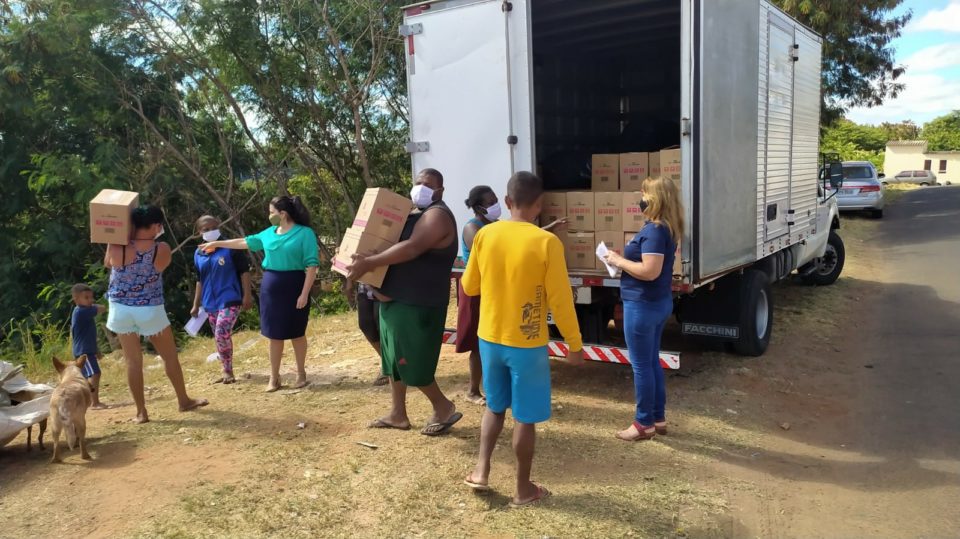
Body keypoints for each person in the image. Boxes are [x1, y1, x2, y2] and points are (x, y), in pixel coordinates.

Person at [460, 171, 584, 507]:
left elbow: (469, 286)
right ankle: (522, 489)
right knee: (525, 418)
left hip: (490, 338)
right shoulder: (547, 243)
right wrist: (574, 343)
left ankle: (481, 471)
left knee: (494, 407)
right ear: (540, 205)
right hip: (527, 344)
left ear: (508, 201)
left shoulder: (485, 236)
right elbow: (560, 300)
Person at [346, 168, 462, 436]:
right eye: (418, 182)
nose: (420, 187)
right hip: (395, 297)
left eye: (427, 184)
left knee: (409, 360)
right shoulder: (415, 213)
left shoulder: (438, 216)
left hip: (417, 301)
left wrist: (370, 262)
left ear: (440, 191)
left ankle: (442, 406)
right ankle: (398, 413)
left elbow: (413, 247)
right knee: (391, 358)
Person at [458, 186, 569, 405]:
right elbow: (492, 254)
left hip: (494, 288)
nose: (495, 205)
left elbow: (518, 237)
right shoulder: (474, 229)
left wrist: (547, 229)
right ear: (478, 206)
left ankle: (500, 390)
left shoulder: (494, 227)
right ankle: (473, 390)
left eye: (496, 200)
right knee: (477, 342)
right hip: (478, 289)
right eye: (490, 202)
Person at [200, 196, 319, 392]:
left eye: (271, 212)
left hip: (295, 285)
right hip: (271, 287)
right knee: (274, 334)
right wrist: (219, 244)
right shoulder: (269, 233)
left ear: (283, 214)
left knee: (297, 332)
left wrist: (304, 293)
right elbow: (245, 242)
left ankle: (300, 373)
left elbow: (312, 265)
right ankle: (274, 376)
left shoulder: (304, 233)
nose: (269, 215)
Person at [104, 205, 208, 424]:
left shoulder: (116, 245)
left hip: (120, 309)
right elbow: (160, 267)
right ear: (154, 226)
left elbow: (108, 263)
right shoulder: (160, 248)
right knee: (169, 356)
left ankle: (141, 412)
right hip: (149, 308)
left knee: (133, 361)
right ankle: (183, 400)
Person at [603, 176, 683, 441]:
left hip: (642, 305)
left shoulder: (654, 231)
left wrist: (617, 260)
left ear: (656, 198)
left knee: (641, 366)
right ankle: (657, 418)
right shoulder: (665, 228)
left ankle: (643, 423)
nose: (641, 197)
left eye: (645, 193)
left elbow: (649, 271)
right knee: (651, 362)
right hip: (657, 302)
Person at [191, 215, 254, 385]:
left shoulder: (230, 247)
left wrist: (247, 295)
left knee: (221, 332)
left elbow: (244, 271)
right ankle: (227, 370)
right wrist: (196, 304)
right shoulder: (198, 253)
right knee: (220, 336)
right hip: (209, 303)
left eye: (213, 227)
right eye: (206, 229)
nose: (210, 231)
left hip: (230, 298)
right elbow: (200, 280)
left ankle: (227, 371)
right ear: (199, 232)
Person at [70, 283, 108, 409]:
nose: (90, 300)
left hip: (86, 350)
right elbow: (102, 308)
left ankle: (84, 402)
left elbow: (89, 335)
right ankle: (94, 402)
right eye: (86, 298)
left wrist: (96, 350)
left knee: (87, 377)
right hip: (83, 352)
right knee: (95, 374)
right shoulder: (81, 311)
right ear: (76, 299)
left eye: (91, 297)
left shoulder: (84, 311)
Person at [356, 283, 389, 386]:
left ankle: (387, 367)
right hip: (364, 288)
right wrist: (349, 282)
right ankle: (388, 362)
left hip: (384, 287)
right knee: (365, 325)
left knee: (382, 327)